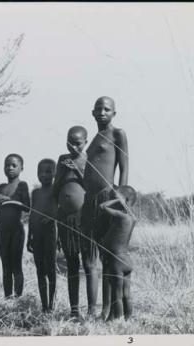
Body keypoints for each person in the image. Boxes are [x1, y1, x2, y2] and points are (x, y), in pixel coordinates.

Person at [81, 96, 129, 318]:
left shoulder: (118, 134)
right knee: (89, 257)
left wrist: (121, 196)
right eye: (98, 109)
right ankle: (92, 310)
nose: (102, 112)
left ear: (114, 113)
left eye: (107, 109)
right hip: (88, 200)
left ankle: (109, 311)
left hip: (107, 198)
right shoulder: (93, 139)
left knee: (108, 258)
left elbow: (123, 167)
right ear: (92, 113)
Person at [52, 126, 88, 318]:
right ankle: (74, 310)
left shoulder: (87, 160)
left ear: (86, 143)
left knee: (89, 263)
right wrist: (64, 170)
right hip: (65, 218)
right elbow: (55, 189)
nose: (73, 146)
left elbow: (92, 187)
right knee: (71, 264)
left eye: (78, 143)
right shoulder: (62, 160)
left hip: (84, 219)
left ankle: (91, 310)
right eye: (69, 141)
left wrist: (79, 171)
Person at [0, 154, 30, 299]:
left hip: (16, 231)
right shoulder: (1, 186)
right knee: (5, 266)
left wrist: (9, 199)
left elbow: (27, 207)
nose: (10, 168)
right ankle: (7, 298)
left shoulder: (22, 185)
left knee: (16, 266)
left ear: (22, 168)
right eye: (7, 165)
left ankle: (17, 298)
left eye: (14, 165)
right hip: (2, 232)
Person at [98, 185, 137, 321]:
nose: (113, 199)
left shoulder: (121, 216)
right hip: (127, 260)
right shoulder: (132, 219)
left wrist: (117, 201)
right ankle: (129, 319)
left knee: (117, 295)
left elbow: (102, 207)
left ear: (124, 201)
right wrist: (121, 199)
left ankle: (118, 321)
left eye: (116, 197)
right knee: (126, 294)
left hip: (117, 261)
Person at [27, 159, 58, 313]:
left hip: (50, 233)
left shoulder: (56, 191)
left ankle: (52, 305)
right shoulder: (36, 193)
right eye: (41, 172)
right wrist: (29, 237)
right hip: (37, 235)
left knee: (51, 270)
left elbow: (60, 212)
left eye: (48, 171)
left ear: (55, 173)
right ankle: (44, 305)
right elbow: (32, 214)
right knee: (40, 271)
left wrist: (52, 219)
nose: (44, 175)